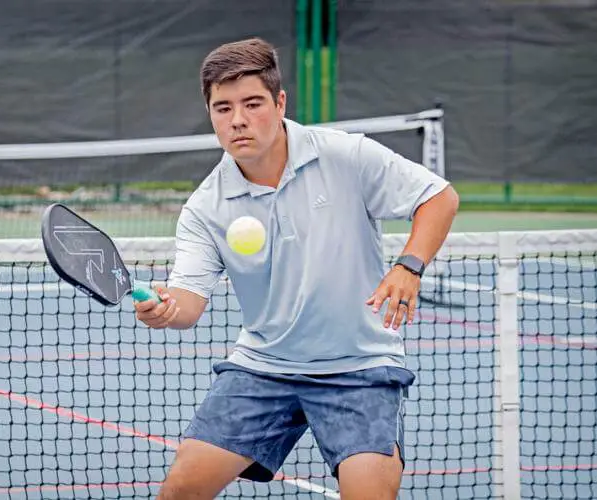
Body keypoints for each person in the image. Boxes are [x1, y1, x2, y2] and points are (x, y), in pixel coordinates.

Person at [135, 37, 459, 500]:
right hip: (264, 367)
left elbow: (439, 197)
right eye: (223, 108)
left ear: (280, 101)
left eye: (252, 103)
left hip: (359, 366)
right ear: (210, 113)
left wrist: (409, 266)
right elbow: (187, 304)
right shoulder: (205, 207)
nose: (239, 120)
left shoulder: (345, 155)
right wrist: (164, 309)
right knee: (180, 489)